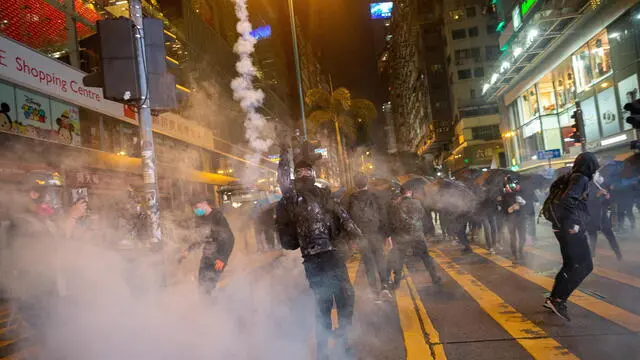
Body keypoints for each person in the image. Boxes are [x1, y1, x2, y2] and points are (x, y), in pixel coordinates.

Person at [275, 143, 361, 360]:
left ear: (313, 173)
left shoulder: (324, 194)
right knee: (323, 303)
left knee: (345, 298)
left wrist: (359, 237)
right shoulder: (292, 198)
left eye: (307, 171)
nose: (304, 174)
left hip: (334, 254)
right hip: (314, 259)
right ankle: (323, 349)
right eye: (300, 171)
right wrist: (284, 153)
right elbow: (283, 180)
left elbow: (343, 216)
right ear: (297, 175)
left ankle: (343, 340)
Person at [4, 171, 87, 356]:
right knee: (45, 343)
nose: (53, 200)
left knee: (55, 341)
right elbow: (49, 246)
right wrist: (72, 217)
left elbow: (63, 242)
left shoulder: (44, 220)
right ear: (34, 194)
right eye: (50, 194)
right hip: (35, 298)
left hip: (52, 294)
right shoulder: (22, 222)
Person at [544, 152, 599, 322]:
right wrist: (574, 224)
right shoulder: (580, 178)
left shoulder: (571, 176)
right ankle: (559, 299)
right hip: (570, 229)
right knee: (585, 265)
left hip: (561, 227)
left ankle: (554, 298)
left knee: (570, 264)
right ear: (590, 165)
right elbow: (569, 200)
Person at [346, 173, 392, 300]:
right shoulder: (375, 196)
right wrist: (387, 236)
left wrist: (351, 239)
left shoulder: (350, 199)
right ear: (367, 183)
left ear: (355, 184)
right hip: (376, 234)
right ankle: (385, 287)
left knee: (368, 263)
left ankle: (374, 291)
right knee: (380, 259)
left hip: (361, 236)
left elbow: (348, 220)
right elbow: (383, 216)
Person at [181, 194, 235, 295]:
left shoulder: (218, 216)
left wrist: (223, 258)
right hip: (206, 256)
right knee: (201, 285)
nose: (195, 210)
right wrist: (189, 250)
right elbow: (200, 238)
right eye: (193, 209)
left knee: (209, 286)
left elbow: (229, 238)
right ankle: (206, 306)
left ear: (205, 203)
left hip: (218, 256)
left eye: (196, 207)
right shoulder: (200, 218)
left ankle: (215, 306)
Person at [389, 186, 442, 288]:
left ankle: (396, 283)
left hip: (402, 236)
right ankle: (435, 277)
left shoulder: (397, 204)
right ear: (409, 192)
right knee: (426, 256)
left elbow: (394, 221)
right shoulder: (417, 203)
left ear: (401, 193)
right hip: (417, 235)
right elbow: (422, 215)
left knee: (399, 258)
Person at [586, 176, 622, 261]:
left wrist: (607, 198)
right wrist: (597, 195)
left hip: (602, 216)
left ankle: (618, 254)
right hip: (591, 217)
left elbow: (607, 202)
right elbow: (586, 201)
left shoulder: (601, 186)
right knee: (592, 237)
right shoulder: (586, 186)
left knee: (610, 235)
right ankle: (591, 255)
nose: (600, 177)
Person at [499, 175, 527, 263]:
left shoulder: (521, 192)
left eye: (513, 184)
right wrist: (509, 209)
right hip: (510, 219)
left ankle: (521, 251)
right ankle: (515, 255)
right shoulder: (504, 195)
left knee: (522, 237)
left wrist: (520, 205)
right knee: (513, 237)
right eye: (508, 185)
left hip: (521, 218)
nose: (510, 186)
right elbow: (502, 208)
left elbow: (527, 203)